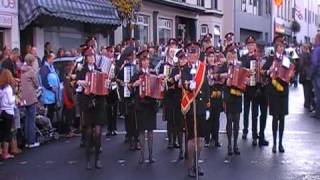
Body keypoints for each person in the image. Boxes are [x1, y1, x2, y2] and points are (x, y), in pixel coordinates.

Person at [181, 42, 210, 177]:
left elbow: (206, 87)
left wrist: (207, 104)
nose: (192, 55)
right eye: (190, 53)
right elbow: (184, 83)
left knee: (201, 139)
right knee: (192, 139)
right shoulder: (185, 69)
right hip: (191, 107)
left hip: (201, 107)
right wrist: (188, 85)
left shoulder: (204, 68)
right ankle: (189, 166)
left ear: (198, 54)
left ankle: (197, 164)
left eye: (195, 53)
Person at [76, 47, 106, 170]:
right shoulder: (82, 70)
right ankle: (88, 159)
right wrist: (81, 83)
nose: (92, 58)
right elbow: (76, 82)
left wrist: (106, 84)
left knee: (98, 132)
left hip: (98, 104)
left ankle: (97, 159)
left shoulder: (99, 70)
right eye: (89, 57)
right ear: (86, 58)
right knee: (88, 132)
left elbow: (104, 86)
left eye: (93, 56)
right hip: (87, 104)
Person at [264, 36, 293, 153]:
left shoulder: (287, 59)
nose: (281, 48)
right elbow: (262, 71)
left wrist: (290, 76)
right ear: (276, 48)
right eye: (279, 46)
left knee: (282, 118)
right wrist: (269, 71)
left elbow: (292, 72)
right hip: (274, 92)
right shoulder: (271, 59)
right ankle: (275, 143)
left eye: (282, 46)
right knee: (275, 117)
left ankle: (281, 143)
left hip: (284, 92)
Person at [131, 49, 160, 164]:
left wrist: (160, 83)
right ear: (140, 62)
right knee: (142, 131)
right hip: (141, 105)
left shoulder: (153, 73)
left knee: (151, 131)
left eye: (147, 60)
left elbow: (158, 88)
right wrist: (135, 84)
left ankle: (151, 155)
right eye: (143, 60)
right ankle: (142, 156)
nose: (145, 62)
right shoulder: (137, 75)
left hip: (151, 105)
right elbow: (129, 86)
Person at [240, 35, 269, 146]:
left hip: (264, 90)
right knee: (254, 113)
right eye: (259, 48)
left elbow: (270, 74)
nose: (260, 50)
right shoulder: (251, 59)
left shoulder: (268, 59)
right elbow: (244, 71)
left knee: (264, 114)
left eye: (262, 48)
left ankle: (261, 135)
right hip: (254, 89)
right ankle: (254, 135)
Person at [222, 43, 245, 156]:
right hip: (228, 95)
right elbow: (216, 75)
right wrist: (225, 76)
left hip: (237, 95)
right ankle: (229, 144)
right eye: (231, 54)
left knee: (236, 121)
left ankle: (235, 144)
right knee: (229, 120)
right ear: (227, 55)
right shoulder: (225, 65)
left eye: (234, 54)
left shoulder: (240, 65)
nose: (233, 56)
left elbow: (245, 76)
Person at [116, 46, 140, 150]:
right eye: (130, 55)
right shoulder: (124, 66)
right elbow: (117, 78)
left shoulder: (138, 65)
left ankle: (136, 138)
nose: (132, 57)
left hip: (137, 94)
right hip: (127, 94)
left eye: (133, 55)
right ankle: (130, 136)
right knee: (129, 116)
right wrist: (122, 83)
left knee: (137, 117)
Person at [205, 46, 224, 148]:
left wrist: (217, 77)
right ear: (206, 58)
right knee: (208, 118)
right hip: (208, 96)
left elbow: (222, 81)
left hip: (217, 95)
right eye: (209, 56)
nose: (211, 58)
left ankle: (216, 139)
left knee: (216, 118)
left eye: (212, 56)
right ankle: (207, 139)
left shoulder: (218, 67)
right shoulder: (205, 68)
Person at [21, 54, 40, 148]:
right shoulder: (31, 71)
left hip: (24, 98)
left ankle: (27, 141)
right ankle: (32, 142)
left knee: (27, 120)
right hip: (31, 97)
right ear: (31, 62)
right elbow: (36, 84)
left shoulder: (22, 70)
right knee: (32, 120)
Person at [39, 53, 60, 126]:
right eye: (53, 59)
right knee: (48, 113)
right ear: (48, 59)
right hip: (47, 95)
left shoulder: (51, 67)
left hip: (52, 95)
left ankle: (51, 128)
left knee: (51, 112)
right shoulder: (44, 68)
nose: (54, 60)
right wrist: (51, 88)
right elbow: (44, 81)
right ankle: (47, 129)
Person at [0, 69, 16, 159]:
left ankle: (3, 151)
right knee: (7, 133)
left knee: (3, 132)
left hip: (2, 111)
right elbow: (10, 101)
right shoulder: (9, 88)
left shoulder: (1, 88)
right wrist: (14, 97)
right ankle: (5, 153)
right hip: (9, 111)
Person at [299, 44, 314, 112]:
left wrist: (300, 71)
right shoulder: (311, 54)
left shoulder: (302, 55)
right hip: (310, 73)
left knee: (305, 89)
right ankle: (309, 102)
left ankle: (306, 103)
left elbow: (301, 65)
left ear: (304, 48)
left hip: (304, 74)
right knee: (309, 88)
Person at [310, 33, 320, 119]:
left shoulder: (317, 50)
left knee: (318, 95)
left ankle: (318, 113)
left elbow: (314, 63)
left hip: (317, 75)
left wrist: (311, 74)